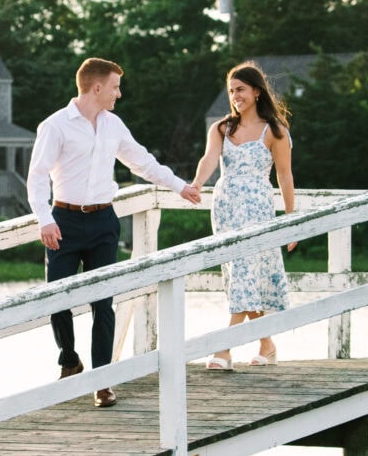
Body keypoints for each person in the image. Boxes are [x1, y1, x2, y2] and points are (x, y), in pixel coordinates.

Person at [28, 58, 203, 408]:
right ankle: (69, 359)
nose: (118, 94)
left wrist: (179, 186)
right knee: (57, 299)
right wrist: (44, 219)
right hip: (63, 221)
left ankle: (103, 381)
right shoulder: (56, 126)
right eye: (115, 87)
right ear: (96, 88)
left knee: (103, 303)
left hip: (103, 221)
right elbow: (37, 176)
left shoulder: (113, 125)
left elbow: (142, 162)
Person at [189, 61, 296, 369]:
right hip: (225, 207)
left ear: (257, 92)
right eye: (232, 91)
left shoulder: (275, 131)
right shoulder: (222, 128)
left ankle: (223, 349)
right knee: (239, 275)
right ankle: (267, 344)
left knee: (245, 271)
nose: (235, 96)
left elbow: (285, 176)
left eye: (241, 90)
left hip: (257, 208)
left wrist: (290, 219)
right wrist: (196, 184)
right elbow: (209, 159)